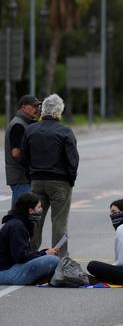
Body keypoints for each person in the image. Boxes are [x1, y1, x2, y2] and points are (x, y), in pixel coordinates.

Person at [20, 94, 78, 257]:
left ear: (43, 110)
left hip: (37, 181)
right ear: (58, 112)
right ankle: (60, 260)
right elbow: (73, 160)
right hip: (60, 182)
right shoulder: (65, 131)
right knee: (59, 222)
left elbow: (23, 158)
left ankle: (30, 255)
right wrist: (70, 180)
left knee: (35, 221)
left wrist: (31, 176)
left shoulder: (30, 130)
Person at [0, 193, 60, 285]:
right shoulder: (17, 226)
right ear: (30, 210)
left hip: (9, 267)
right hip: (5, 271)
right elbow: (21, 256)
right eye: (39, 207)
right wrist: (45, 254)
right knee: (53, 260)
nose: (41, 210)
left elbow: (23, 254)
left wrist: (44, 253)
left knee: (49, 258)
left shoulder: (17, 222)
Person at [5, 95, 41, 206]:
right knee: (20, 212)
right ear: (24, 107)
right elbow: (16, 153)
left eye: (38, 106)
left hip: (24, 177)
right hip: (21, 177)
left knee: (24, 212)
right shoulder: (18, 125)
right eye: (34, 106)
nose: (37, 109)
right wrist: (33, 162)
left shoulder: (25, 123)